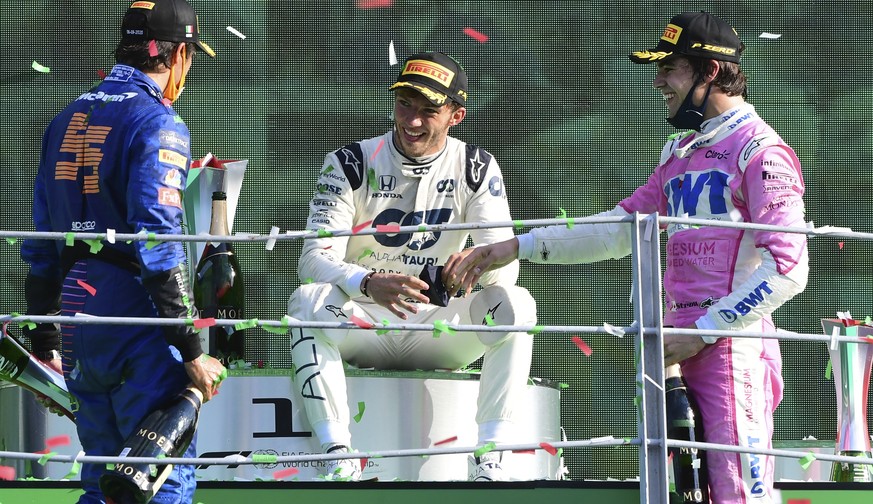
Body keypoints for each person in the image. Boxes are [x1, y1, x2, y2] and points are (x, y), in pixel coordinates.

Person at [443, 11, 808, 503]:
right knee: (674, 494)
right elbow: (619, 229)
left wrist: (704, 332)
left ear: (711, 73)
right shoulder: (679, 151)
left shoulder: (762, 151)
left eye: (670, 68)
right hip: (672, 348)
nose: (658, 80)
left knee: (739, 494)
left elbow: (789, 268)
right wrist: (514, 246)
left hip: (730, 349)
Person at [288, 51, 537, 482]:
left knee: (516, 303)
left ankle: (491, 458)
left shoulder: (476, 166)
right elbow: (312, 259)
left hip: (440, 329)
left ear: (456, 115)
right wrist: (366, 281)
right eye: (405, 103)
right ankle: (337, 454)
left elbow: (504, 271)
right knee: (306, 301)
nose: (412, 121)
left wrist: (477, 267)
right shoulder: (350, 161)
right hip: (366, 323)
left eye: (429, 111)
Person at [20, 1, 226, 502]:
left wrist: (43, 331)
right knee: (158, 478)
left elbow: (43, 239)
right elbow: (158, 239)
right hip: (137, 315)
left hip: (76, 313)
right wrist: (193, 348)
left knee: (103, 480)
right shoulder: (161, 122)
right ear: (178, 54)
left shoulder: (64, 117)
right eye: (191, 57)